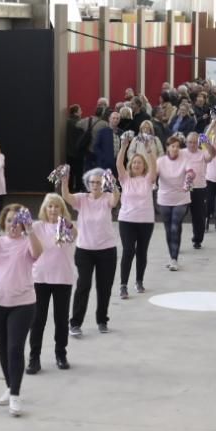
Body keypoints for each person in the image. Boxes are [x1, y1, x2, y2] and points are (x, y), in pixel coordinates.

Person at [0, 202, 44, 417]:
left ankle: (15, 394)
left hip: (23, 304)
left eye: (18, 221)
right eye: (10, 220)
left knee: (14, 348)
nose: (14, 224)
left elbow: (38, 252)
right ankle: (10, 386)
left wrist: (30, 230)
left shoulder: (27, 242)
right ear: (4, 222)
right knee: (2, 349)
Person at [63, 167, 120, 335]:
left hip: (107, 250)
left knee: (105, 287)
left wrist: (113, 183)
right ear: (87, 184)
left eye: (99, 182)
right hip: (84, 250)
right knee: (83, 285)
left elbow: (116, 200)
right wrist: (65, 182)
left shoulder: (108, 198)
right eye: (92, 182)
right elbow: (66, 197)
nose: (95, 185)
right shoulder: (81, 199)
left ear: (103, 183)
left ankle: (102, 320)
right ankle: (75, 323)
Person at [28, 193, 76, 374]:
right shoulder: (37, 226)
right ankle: (34, 358)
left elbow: (73, 234)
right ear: (44, 209)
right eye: (50, 206)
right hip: (40, 278)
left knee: (61, 320)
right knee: (37, 320)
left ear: (62, 210)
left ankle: (61, 354)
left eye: (57, 206)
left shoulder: (66, 227)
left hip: (63, 278)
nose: (53, 210)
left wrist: (67, 224)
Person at [117, 154, 156, 297]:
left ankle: (139, 281)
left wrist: (148, 149)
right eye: (134, 162)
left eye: (139, 163)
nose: (137, 165)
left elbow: (154, 166)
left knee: (142, 251)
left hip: (145, 221)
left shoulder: (148, 179)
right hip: (127, 220)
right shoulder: (125, 179)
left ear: (144, 166)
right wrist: (123, 146)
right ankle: (123, 285)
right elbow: (119, 164)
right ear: (130, 165)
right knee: (128, 251)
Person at [155, 135, 196, 271]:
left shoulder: (185, 159)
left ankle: (174, 259)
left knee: (175, 226)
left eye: (178, 146)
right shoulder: (160, 161)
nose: (175, 149)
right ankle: (172, 256)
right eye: (173, 146)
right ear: (167, 147)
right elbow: (153, 174)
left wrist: (188, 182)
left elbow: (190, 172)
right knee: (168, 228)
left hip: (181, 197)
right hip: (164, 198)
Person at [92, 110, 120, 177]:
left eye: (117, 118)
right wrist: (103, 157)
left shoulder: (121, 132)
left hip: (117, 164)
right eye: (113, 118)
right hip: (104, 164)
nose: (115, 120)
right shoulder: (102, 132)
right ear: (109, 119)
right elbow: (96, 147)